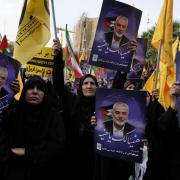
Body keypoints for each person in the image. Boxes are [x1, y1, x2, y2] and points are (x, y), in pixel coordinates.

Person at [0, 76, 66, 180]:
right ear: (24, 91)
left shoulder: (53, 116)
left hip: (44, 171)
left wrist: (27, 152)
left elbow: (57, 145)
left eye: (39, 89)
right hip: (15, 170)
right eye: (31, 88)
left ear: (45, 94)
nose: (35, 92)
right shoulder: (13, 114)